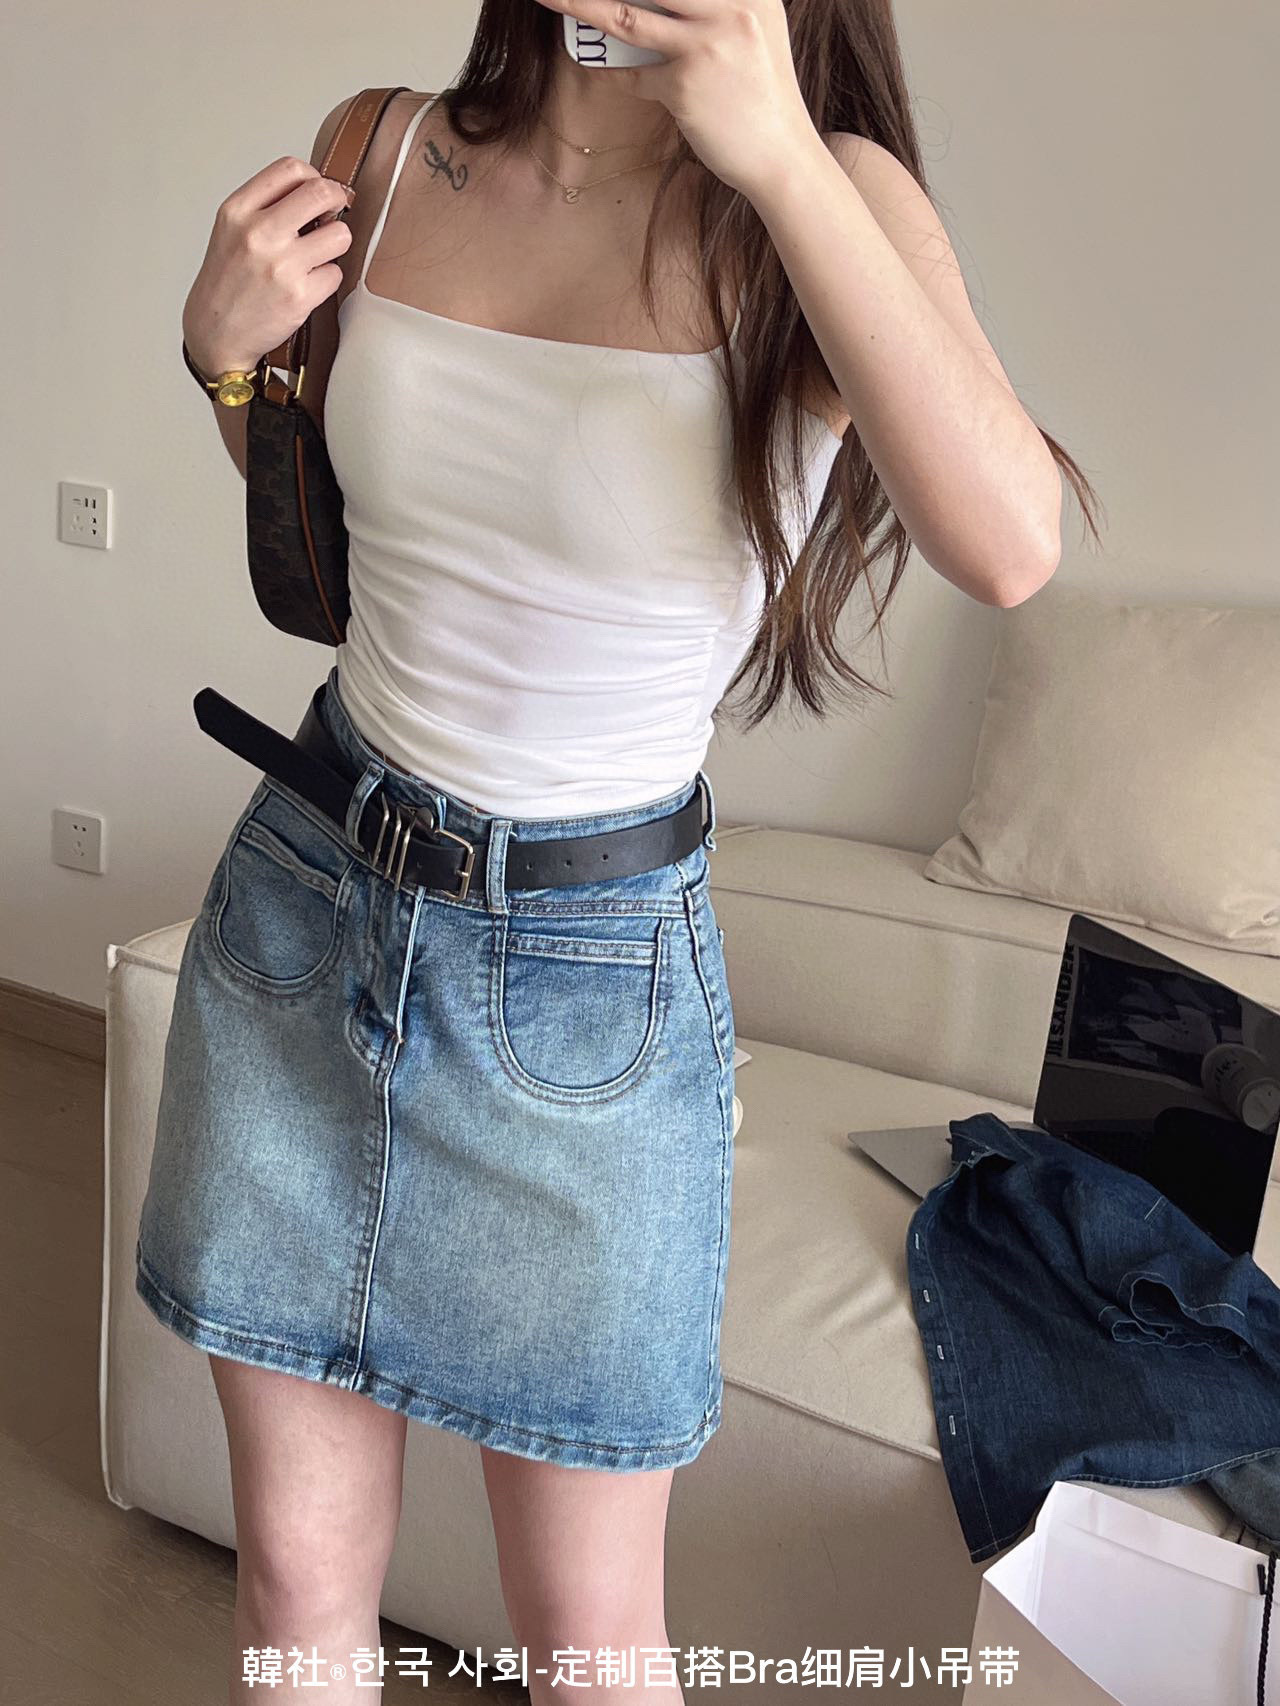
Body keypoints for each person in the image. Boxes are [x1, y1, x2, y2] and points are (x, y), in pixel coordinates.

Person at [146, 2, 1099, 1701]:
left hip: (584, 991)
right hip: (304, 915)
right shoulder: (384, 148)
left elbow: (1011, 542)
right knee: (292, 1581)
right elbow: (349, 535)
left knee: (589, 1647)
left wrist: (778, 151)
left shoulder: (826, 191)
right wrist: (231, 362)